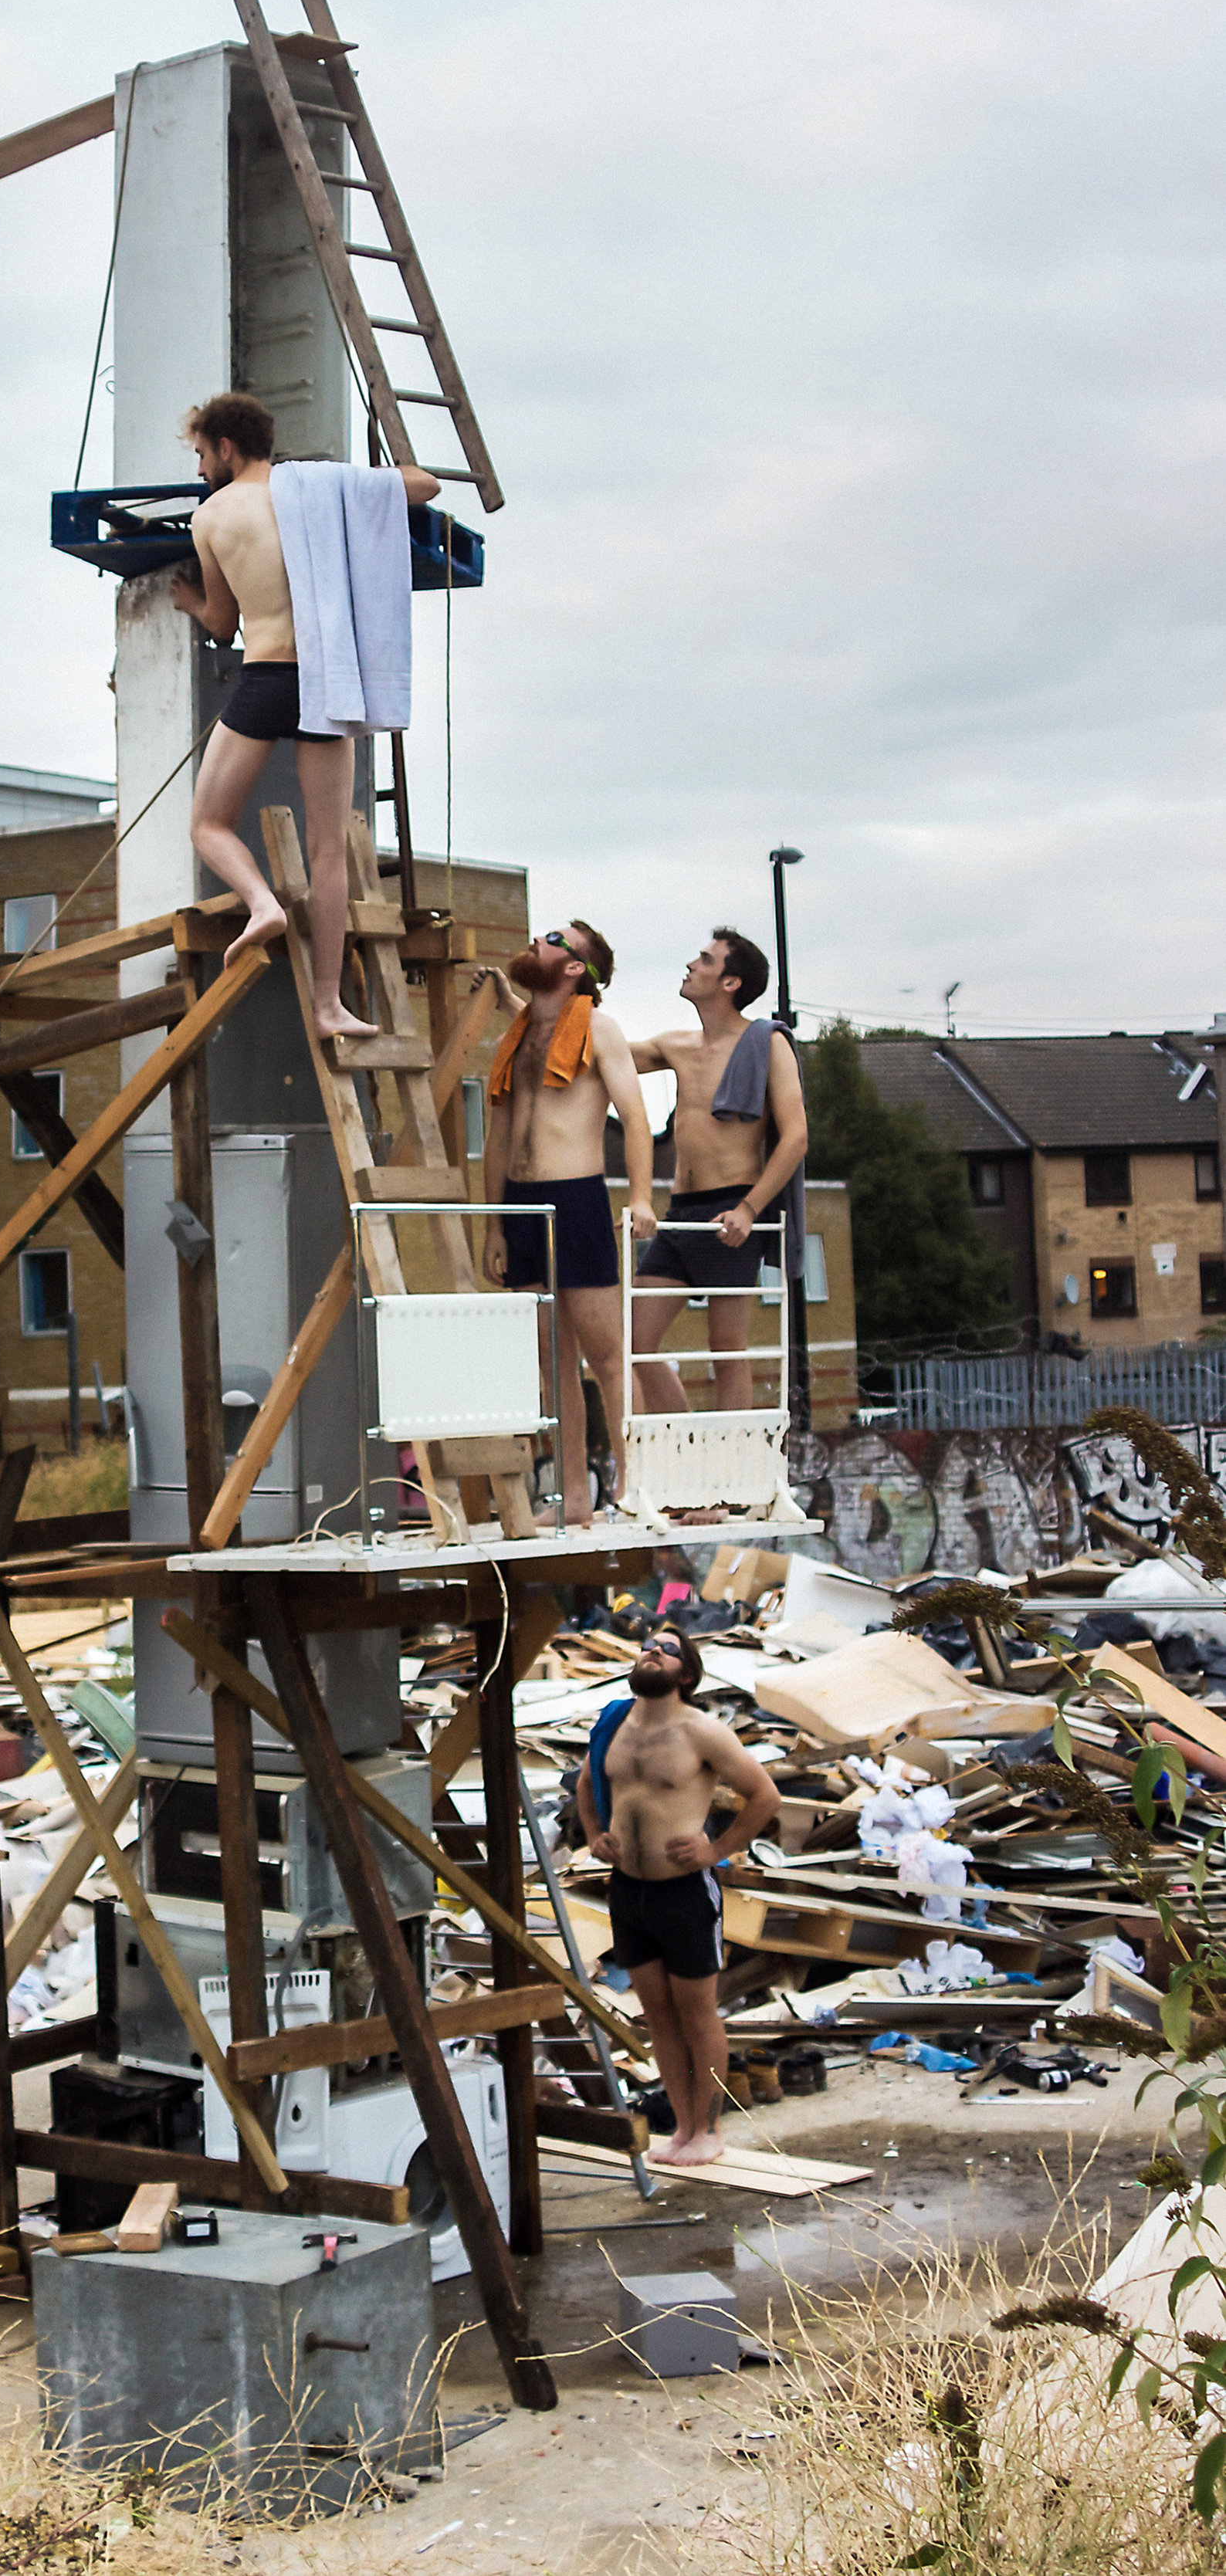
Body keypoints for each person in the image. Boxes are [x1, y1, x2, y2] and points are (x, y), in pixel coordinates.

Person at [170, 391, 439, 1041]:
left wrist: (186, 601)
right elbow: (425, 484)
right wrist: (346, 483)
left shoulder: (212, 518)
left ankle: (261, 903)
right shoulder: (322, 488)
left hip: (266, 675)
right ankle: (329, 1005)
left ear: (227, 448)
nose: (202, 468)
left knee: (208, 823)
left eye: (203, 454)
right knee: (329, 848)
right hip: (327, 678)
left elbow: (224, 622)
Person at [580, 1626, 781, 2165]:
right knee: (658, 2015)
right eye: (649, 1643)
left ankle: (710, 2130)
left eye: (667, 1649)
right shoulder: (614, 1724)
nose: (653, 1650)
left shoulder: (702, 1731)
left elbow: (765, 1795)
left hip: (685, 1894)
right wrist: (594, 1833)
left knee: (698, 2014)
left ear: (685, 1674)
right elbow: (585, 1784)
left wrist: (716, 1850)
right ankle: (683, 2130)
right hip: (628, 1893)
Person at [481, 922, 657, 1519]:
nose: (537, 938)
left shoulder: (600, 1030)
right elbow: (498, 1133)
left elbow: (635, 1116)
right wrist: (494, 1224)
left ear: (577, 967)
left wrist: (641, 1196)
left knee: (606, 1356)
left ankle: (636, 1483)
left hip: (576, 1197)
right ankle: (575, 1496)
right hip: (522, 1202)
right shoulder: (521, 1031)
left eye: (554, 936)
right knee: (551, 1362)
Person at [628, 929, 808, 1413]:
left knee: (727, 1351)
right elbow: (596, 1054)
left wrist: (749, 1210)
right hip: (680, 1212)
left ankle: (732, 1484)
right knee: (636, 1342)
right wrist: (520, 1006)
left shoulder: (767, 1045)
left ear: (730, 982)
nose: (692, 964)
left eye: (705, 960)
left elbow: (796, 1137)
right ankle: (689, 1449)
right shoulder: (676, 1045)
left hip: (731, 1210)